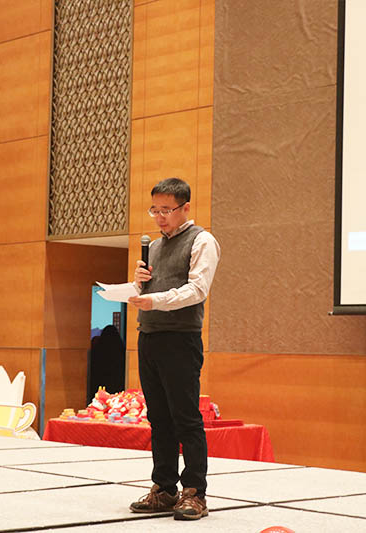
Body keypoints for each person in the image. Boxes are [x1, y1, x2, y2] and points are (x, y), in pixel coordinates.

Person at [126, 177, 221, 521]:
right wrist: (138, 284)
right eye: (155, 210)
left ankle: (195, 492)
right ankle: (164, 488)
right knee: (158, 418)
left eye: (166, 210)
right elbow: (146, 292)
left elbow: (197, 290)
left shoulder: (202, 240)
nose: (160, 217)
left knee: (186, 418)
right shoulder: (153, 247)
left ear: (185, 207)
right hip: (149, 336)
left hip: (181, 339)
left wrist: (155, 300)